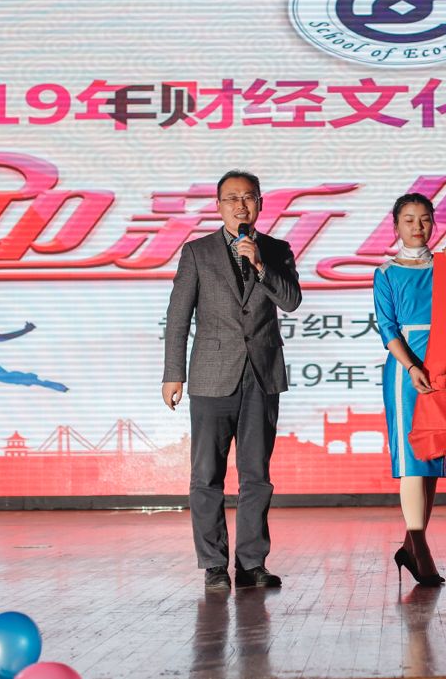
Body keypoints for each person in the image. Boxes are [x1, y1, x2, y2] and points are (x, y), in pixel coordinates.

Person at [163, 170, 302, 592]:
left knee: (256, 474)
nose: (241, 205)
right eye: (232, 198)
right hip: (211, 375)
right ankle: (213, 565)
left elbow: (291, 301)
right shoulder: (197, 252)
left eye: (248, 197)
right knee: (207, 474)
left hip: (262, 375)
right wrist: (173, 374)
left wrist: (260, 266)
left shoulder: (276, 250)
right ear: (218, 205)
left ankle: (252, 563)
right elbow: (178, 316)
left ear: (260, 203)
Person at [373, 193, 446, 587]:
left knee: (434, 458)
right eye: (408, 219)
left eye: (424, 219)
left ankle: (411, 546)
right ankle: (420, 550)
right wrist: (411, 367)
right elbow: (388, 329)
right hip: (407, 368)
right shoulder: (386, 273)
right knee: (412, 457)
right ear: (396, 226)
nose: (417, 227)